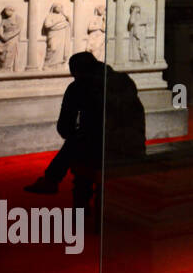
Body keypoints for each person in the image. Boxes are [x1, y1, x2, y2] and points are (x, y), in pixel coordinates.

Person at [24, 52, 146, 218]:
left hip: (106, 149)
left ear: (77, 71)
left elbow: (64, 127)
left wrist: (80, 132)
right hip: (134, 144)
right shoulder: (123, 80)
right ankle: (52, 179)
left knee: (79, 144)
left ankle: (56, 184)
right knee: (86, 139)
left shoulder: (79, 86)